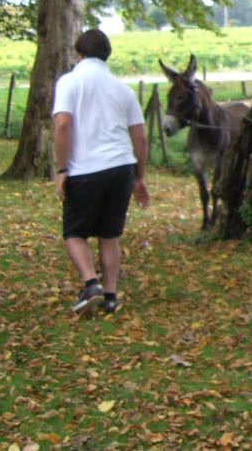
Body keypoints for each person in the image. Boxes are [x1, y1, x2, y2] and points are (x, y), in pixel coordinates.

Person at [53, 28, 150, 316]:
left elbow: (62, 125)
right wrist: (139, 177)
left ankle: (90, 283)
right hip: (121, 167)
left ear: (79, 53)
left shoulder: (70, 82)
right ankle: (110, 296)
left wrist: (61, 168)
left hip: (85, 168)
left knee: (74, 232)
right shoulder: (123, 89)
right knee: (110, 235)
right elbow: (140, 138)